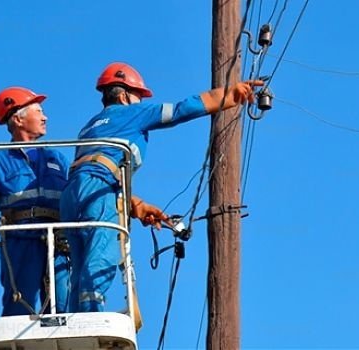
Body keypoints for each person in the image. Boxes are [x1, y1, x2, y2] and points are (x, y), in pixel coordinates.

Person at [59, 62, 264, 313]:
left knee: (80, 263)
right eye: (138, 95)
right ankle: (90, 318)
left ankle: (77, 318)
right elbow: (180, 110)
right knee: (101, 254)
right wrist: (232, 94)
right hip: (98, 188)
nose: (140, 100)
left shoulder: (90, 127)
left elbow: (93, 175)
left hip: (73, 196)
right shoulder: (131, 113)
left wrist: (137, 206)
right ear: (123, 95)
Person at [0, 86, 70, 316]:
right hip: (20, 237)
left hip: (59, 238)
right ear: (18, 119)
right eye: (39, 111)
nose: (45, 117)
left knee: (64, 305)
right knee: (19, 303)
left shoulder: (56, 157)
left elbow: (73, 194)